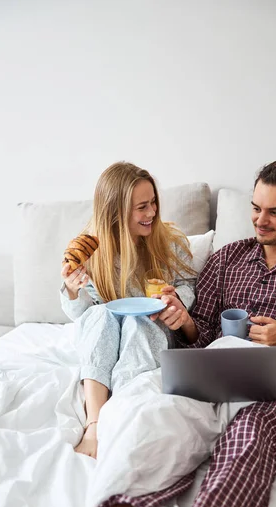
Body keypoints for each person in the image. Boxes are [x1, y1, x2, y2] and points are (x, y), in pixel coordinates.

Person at [12, 160, 276, 507]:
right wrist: (185, 321)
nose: (260, 220)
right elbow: (200, 331)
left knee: (249, 436)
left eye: (275, 212)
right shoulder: (228, 258)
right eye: (255, 208)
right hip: (213, 363)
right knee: (157, 414)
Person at [59, 161, 196, 458]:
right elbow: (83, 317)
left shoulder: (170, 242)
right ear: (116, 212)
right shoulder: (92, 252)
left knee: (138, 323)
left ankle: (121, 415)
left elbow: (189, 285)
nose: (152, 213)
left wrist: (177, 299)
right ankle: (95, 423)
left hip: (151, 331)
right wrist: (73, 289)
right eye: (142, 207)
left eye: (153, 203)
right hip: (107, 333)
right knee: (99, 314)